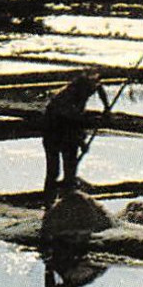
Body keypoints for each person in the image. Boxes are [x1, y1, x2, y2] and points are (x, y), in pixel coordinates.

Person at [42, 70, 111, 200]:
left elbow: (99, 88)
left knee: (70, 172)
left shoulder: (83, 90)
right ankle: (49, 203)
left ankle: (68, 201)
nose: (90, 95)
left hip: (68, 132)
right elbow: (69, 127)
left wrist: (106, 107)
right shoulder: (66, 101)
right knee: (54, 171)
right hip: (54, 133)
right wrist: (81, 142)